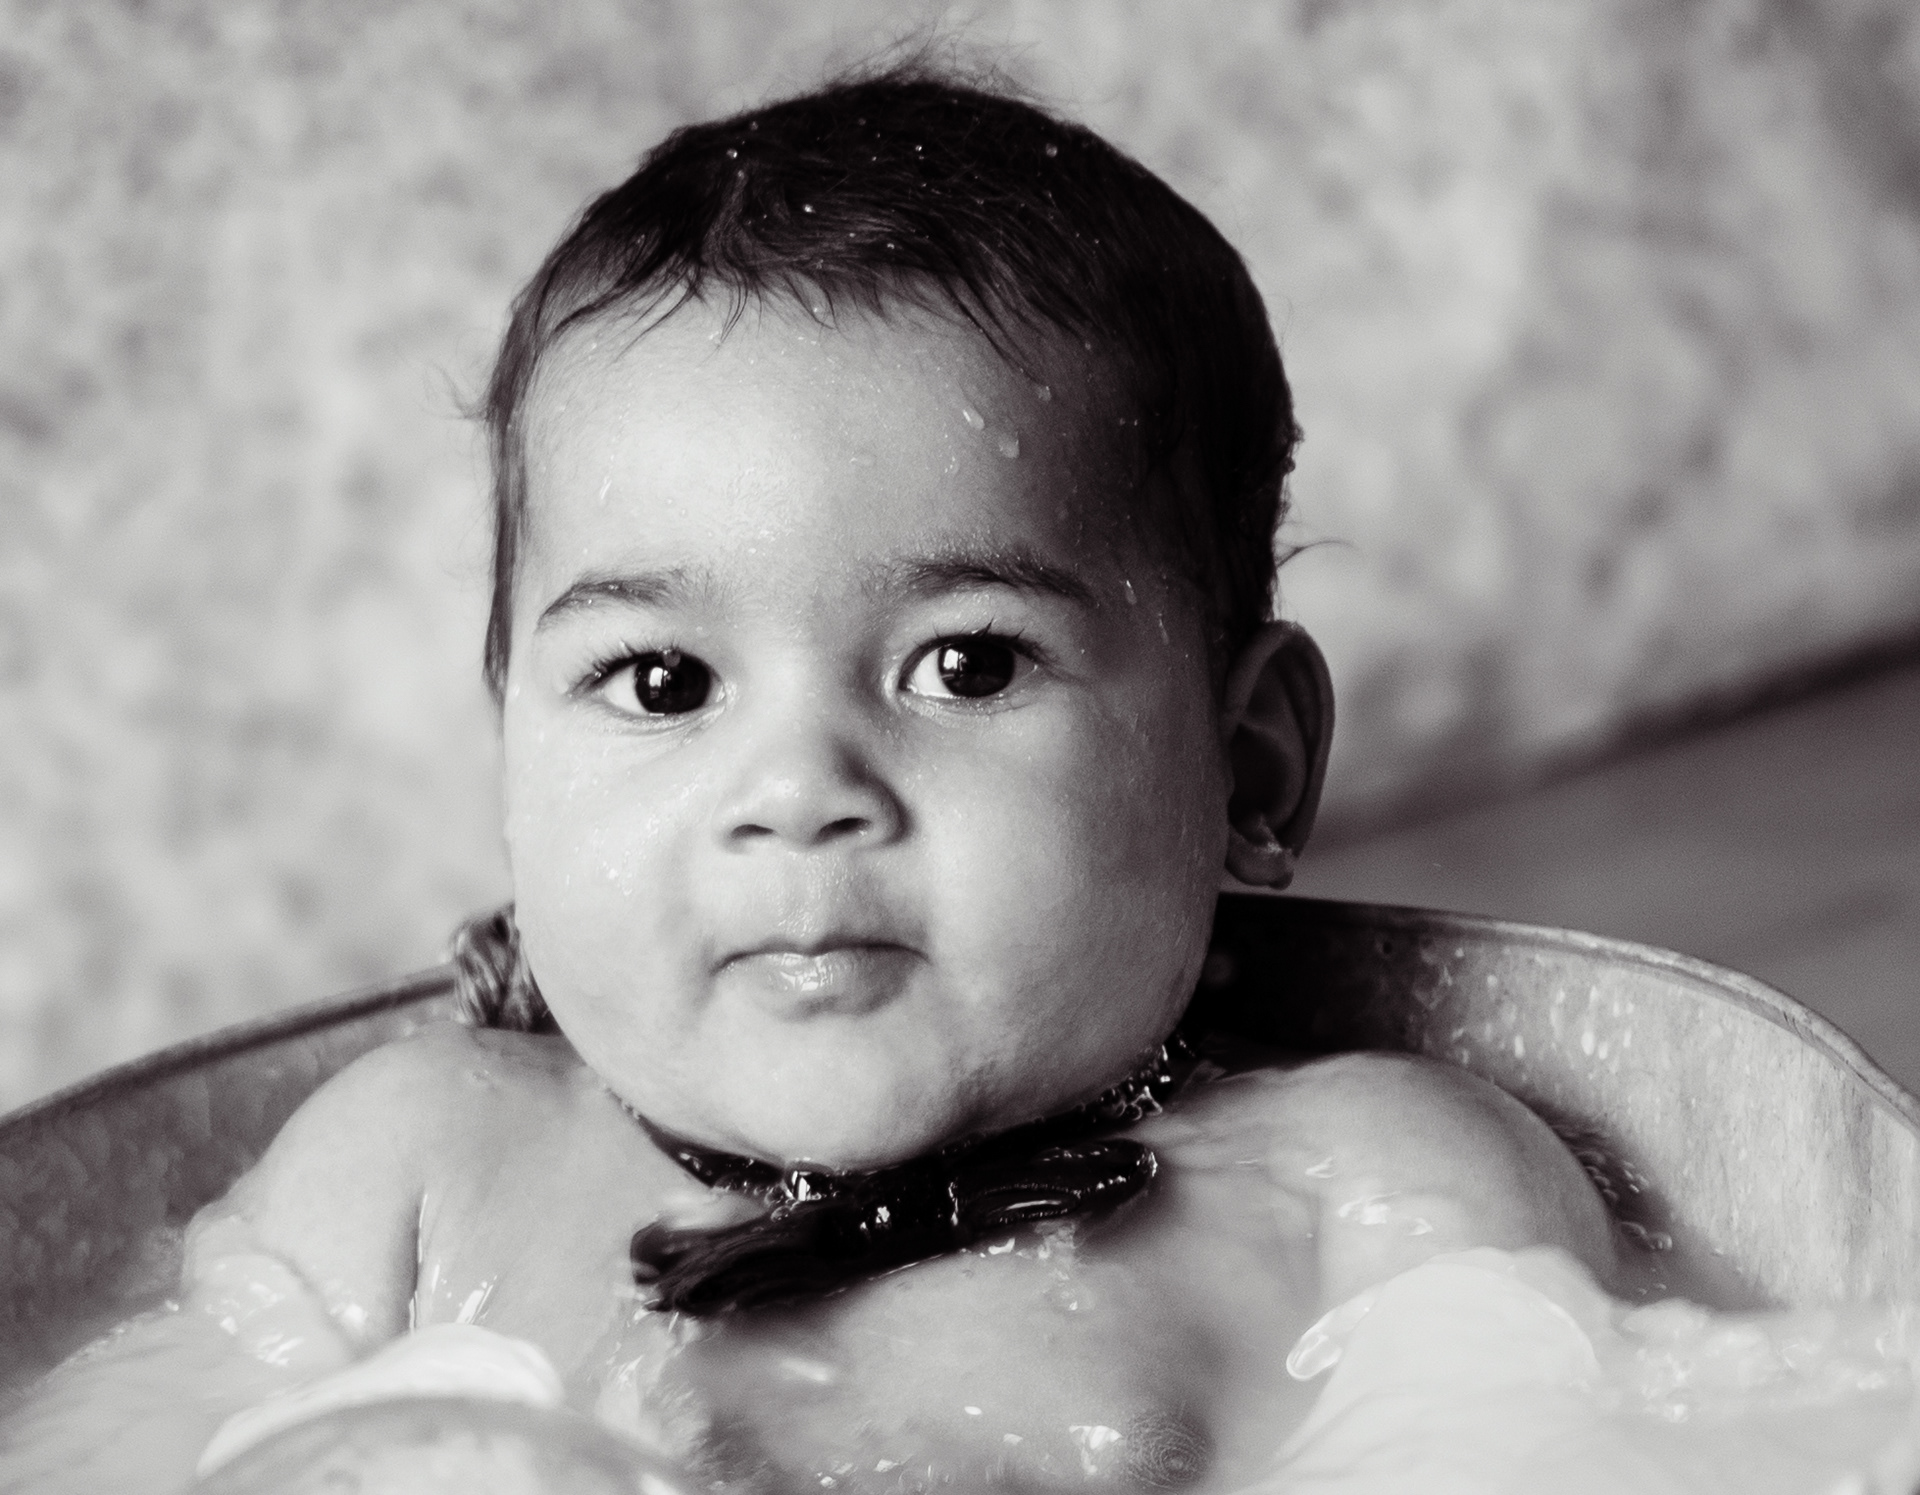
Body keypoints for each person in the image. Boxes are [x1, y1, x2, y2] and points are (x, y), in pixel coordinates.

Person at [4, 67, 1624, 1494]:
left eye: (965, 664)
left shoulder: (1367, 1193)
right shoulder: (413, 1173)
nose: (796, 792)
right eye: (664, 682)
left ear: (1249, 764)